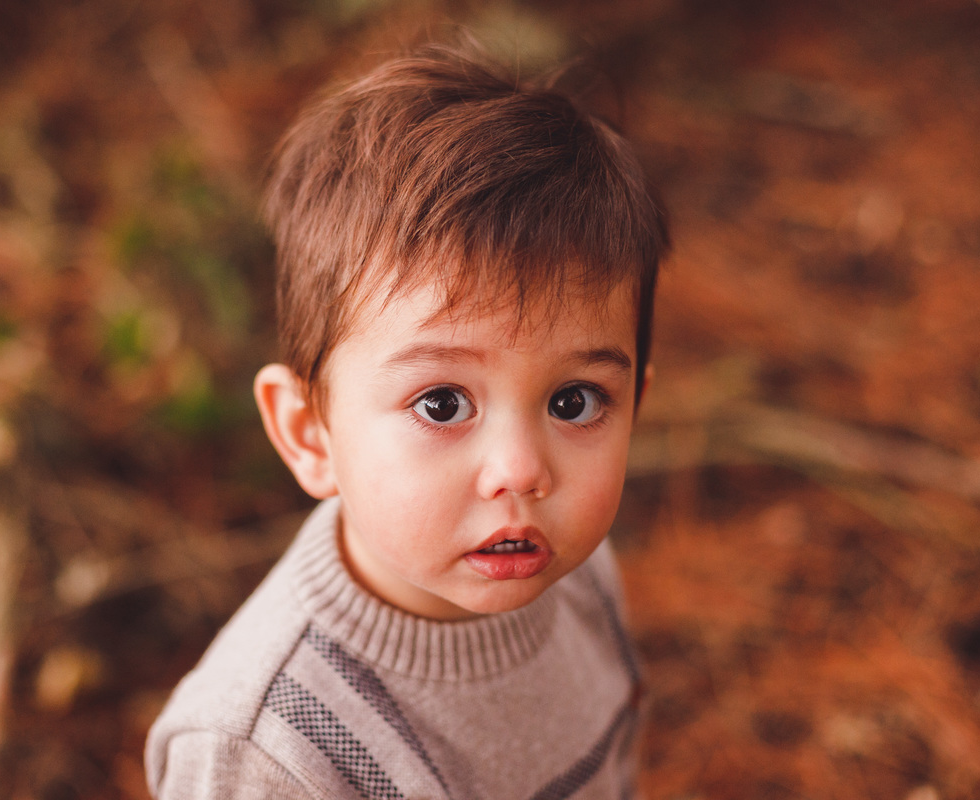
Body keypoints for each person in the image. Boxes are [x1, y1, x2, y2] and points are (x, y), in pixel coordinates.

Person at [145, 40, 670, 800]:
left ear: (636, 408)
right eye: (442, 404)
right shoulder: (267, 752)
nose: (522, 470)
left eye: (573, 402)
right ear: (307, 431)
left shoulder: (584, 580)